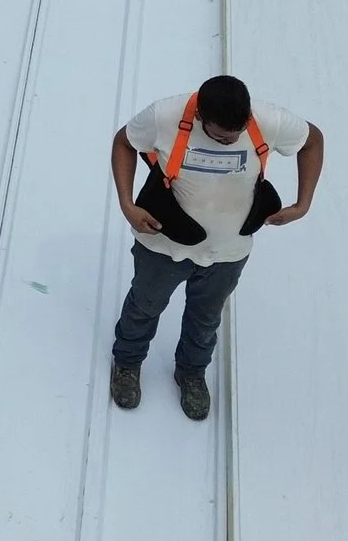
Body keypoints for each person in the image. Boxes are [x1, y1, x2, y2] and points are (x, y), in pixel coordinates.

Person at [108, 74, 322, 418]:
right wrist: (127, 205)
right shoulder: (163, 116)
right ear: (200, 117)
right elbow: (124, 142)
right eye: (223, 137)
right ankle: (127, 363)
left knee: (206, 319)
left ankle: (191, 372)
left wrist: (303, 202)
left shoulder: (266, 121)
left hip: (229, 251)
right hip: (163, 244)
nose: (232, 140)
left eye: (238, 133)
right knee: (144, 307)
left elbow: (313, 140)